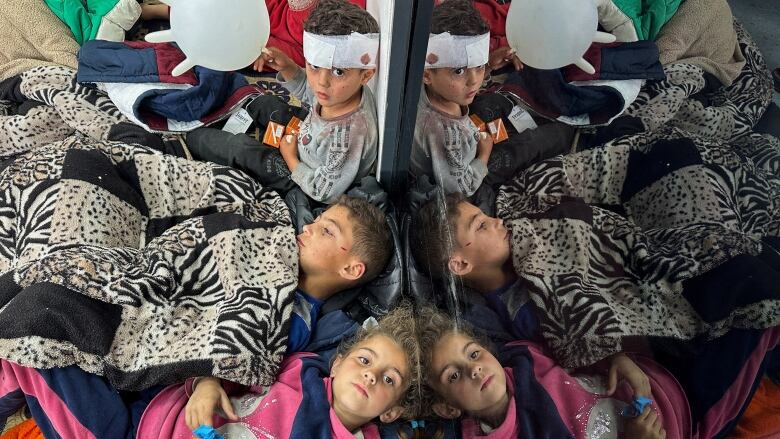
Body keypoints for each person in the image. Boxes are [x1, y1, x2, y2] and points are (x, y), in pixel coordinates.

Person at [0, 305, 421, 438]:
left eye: (389, 380)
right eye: (366, 361)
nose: (371, 376)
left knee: (29, 348)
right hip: (153, 407)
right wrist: (205, 384)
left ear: (391, 412)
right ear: (341, 361)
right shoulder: (305, 369)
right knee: (34, 328)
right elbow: (236, 365)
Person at [418, 305, 780, 439]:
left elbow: (572, 355)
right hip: (688, 418)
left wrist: (617, 359)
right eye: (454, 376)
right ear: (448, 408)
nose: (475, 368)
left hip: (652, 369)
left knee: (749, 297)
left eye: (474, 353)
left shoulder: (518, 358)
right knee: (761, 322)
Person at [188, 0, 380, 204]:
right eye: (314, 66)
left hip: (304, 182)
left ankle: (190, 137)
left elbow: (324, 191)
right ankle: (229, 115)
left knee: (243, 151)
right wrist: (288, 67)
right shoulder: (343, 92)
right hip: (309, 138)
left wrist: (291, 158)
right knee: (266, 103)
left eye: (338, 71)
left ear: (366, 75)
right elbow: (311, 92)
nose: (321, 82)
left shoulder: (347, 138)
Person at [411, 0, 573, 197]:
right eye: (459, 70)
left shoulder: (429, 86)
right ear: (427, 75)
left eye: (479, 65)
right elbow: (461, 187)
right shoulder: (445, 135)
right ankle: (570, 136)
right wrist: (483, 154)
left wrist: (489, 66)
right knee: (528, 146)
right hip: (470, 177)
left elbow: (464, 77)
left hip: (464, 140)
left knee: (497, 103)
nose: (474, 81)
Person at [411, 192, 538, 342]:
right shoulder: (525, 314)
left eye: (486, 215)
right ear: (461, 264)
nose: (498, 220)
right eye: (482, 225)